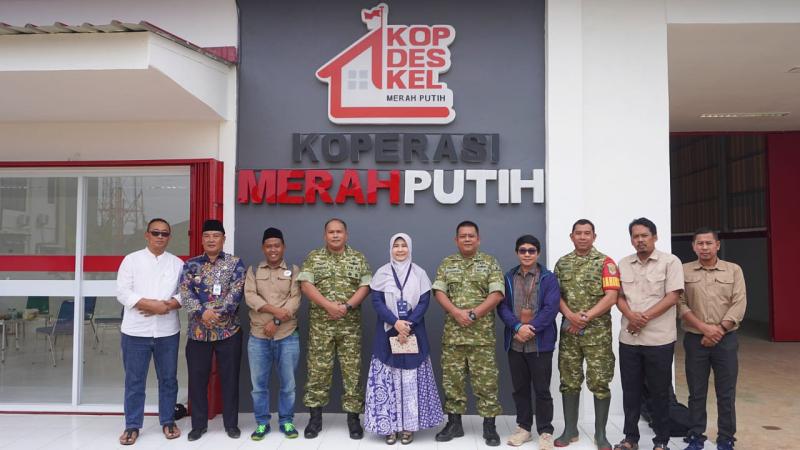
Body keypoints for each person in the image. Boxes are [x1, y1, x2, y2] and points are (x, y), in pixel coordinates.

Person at [364, 233, 445, 445]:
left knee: (411, 379)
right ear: (390, 249)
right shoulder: (382, 273)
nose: (400, 250)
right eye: (396, 246)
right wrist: (395, 322)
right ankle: (389, 427)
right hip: (387, 331)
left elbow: (424, 301)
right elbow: (377, 301)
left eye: (404, 246)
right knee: (387, 378)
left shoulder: (419, 273)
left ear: (410, 248)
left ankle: (409, 427)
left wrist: (407, 324)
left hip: (413, 331)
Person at [432, 220, 505, 446]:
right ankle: (454, 424)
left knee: (486, 383)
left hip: (481, 337)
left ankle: (489, 427)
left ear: (478, 239)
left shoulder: (490, 262)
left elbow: (497, 293)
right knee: (452, 381)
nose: (467, 239)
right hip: (453, 336)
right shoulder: (447, 263)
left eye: (471, 235)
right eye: (462, 236)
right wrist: (456, 313)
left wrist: (473, 314)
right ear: (456, 240)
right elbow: (439, 291)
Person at [298, 218, 372, 439]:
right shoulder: (314, 257)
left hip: (350, 327)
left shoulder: (358, 258)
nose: (335, 235)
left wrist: (346, 306)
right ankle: (315, 420)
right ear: (325, 236)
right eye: (331, 232)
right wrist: (329, 306)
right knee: (317, 372)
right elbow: (306, 285)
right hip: (321, 327)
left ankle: (353, 420)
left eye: (339, 231)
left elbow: (365, 286)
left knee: (352, 373)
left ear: (346, 235)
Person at [614, 218, 684, 450]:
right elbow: (618, 297)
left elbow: (672, 296)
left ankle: (661, 441)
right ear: (631, 240)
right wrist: (630, 316)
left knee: (659, 392)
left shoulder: (670, 262)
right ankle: (630, 438)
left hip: (659, 339)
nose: (640, 240)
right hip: (629, 339)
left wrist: (642, 318)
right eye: (636, 236)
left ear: (655, 237)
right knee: (630, 391)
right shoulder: (623, 264)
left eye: (644, 235)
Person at [115, 218, 184, 445]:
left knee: (168, 379)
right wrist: (150, 305)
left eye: (165, 233)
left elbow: (185, 293)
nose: (160, 237)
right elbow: (122, 292)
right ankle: (132, 425)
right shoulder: (131, 260)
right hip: (136, 332)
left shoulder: (177, 263)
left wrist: (167, 305)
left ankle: (168, 421)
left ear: (169, 237)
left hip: (167, 332)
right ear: (147, 235)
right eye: (156, 233)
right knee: (135, 381)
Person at [553, 219, 620, 450]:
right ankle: (570, 430)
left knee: (600, 382)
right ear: (571, 236)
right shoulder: (562, 264)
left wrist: (585, 317)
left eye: (587, 233)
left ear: (594, 236)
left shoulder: (606, 263)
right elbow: (555, 296)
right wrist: (570, 316)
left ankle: (600, 434)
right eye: (578, 233)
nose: (582, 237)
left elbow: (611, 296)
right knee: (569, 381)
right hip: (570, 334)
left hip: (597, 336)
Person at [679, 228, 746, 450]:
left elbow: (739, 303)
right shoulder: (683, 270)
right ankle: (695, 435)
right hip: (695, 339)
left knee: (726, 392)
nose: (704, 247)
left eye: (709, 243)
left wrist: (718, 330)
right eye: (700, 243)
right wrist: (704, 329)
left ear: (717, 245)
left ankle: (726, 437)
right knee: (696, 392)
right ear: (693, 246)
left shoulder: (733, 270)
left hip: (726, 340)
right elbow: (680, 303)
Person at [180, 219, 246, 441]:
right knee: (197, 380)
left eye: (216, 236)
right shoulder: (190, 265)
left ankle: (231, 424)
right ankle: (198, 425)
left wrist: (216, 313)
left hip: (228, 332)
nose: (211, 240)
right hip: (198, 333)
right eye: (207, 236)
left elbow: (236, 292)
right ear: (201, 239)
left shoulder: (235, 263)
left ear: (223, 239)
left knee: (230, 379)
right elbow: (185, 292)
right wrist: (202, 312)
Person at [497, 235, 560, 450]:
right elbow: (502, 307)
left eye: (531, 250)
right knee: (520, 389)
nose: (526, 254)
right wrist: (517, 327)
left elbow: (551, 308)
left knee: (542, 390)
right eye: (522, 250)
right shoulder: (508, 277)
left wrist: (529, 329)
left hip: (540, 344)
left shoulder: (548, 278)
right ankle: (524, 428)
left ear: (538, 253)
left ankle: (545, 431)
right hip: (515, 342)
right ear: (517, 253)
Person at [244, 227, 301, 440]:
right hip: (258, 337)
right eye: (269, 246)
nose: (273, 249)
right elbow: (250, 297)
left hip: (287, 335)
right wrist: (275, 311)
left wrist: (276, 321)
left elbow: (295, 300)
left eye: (277, 245)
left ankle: (286, 421)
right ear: (263, 248)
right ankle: (262, 423)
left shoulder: (294, 271)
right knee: (259, 386)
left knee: (288, 385)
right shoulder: (253, 271)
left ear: (283, 247)